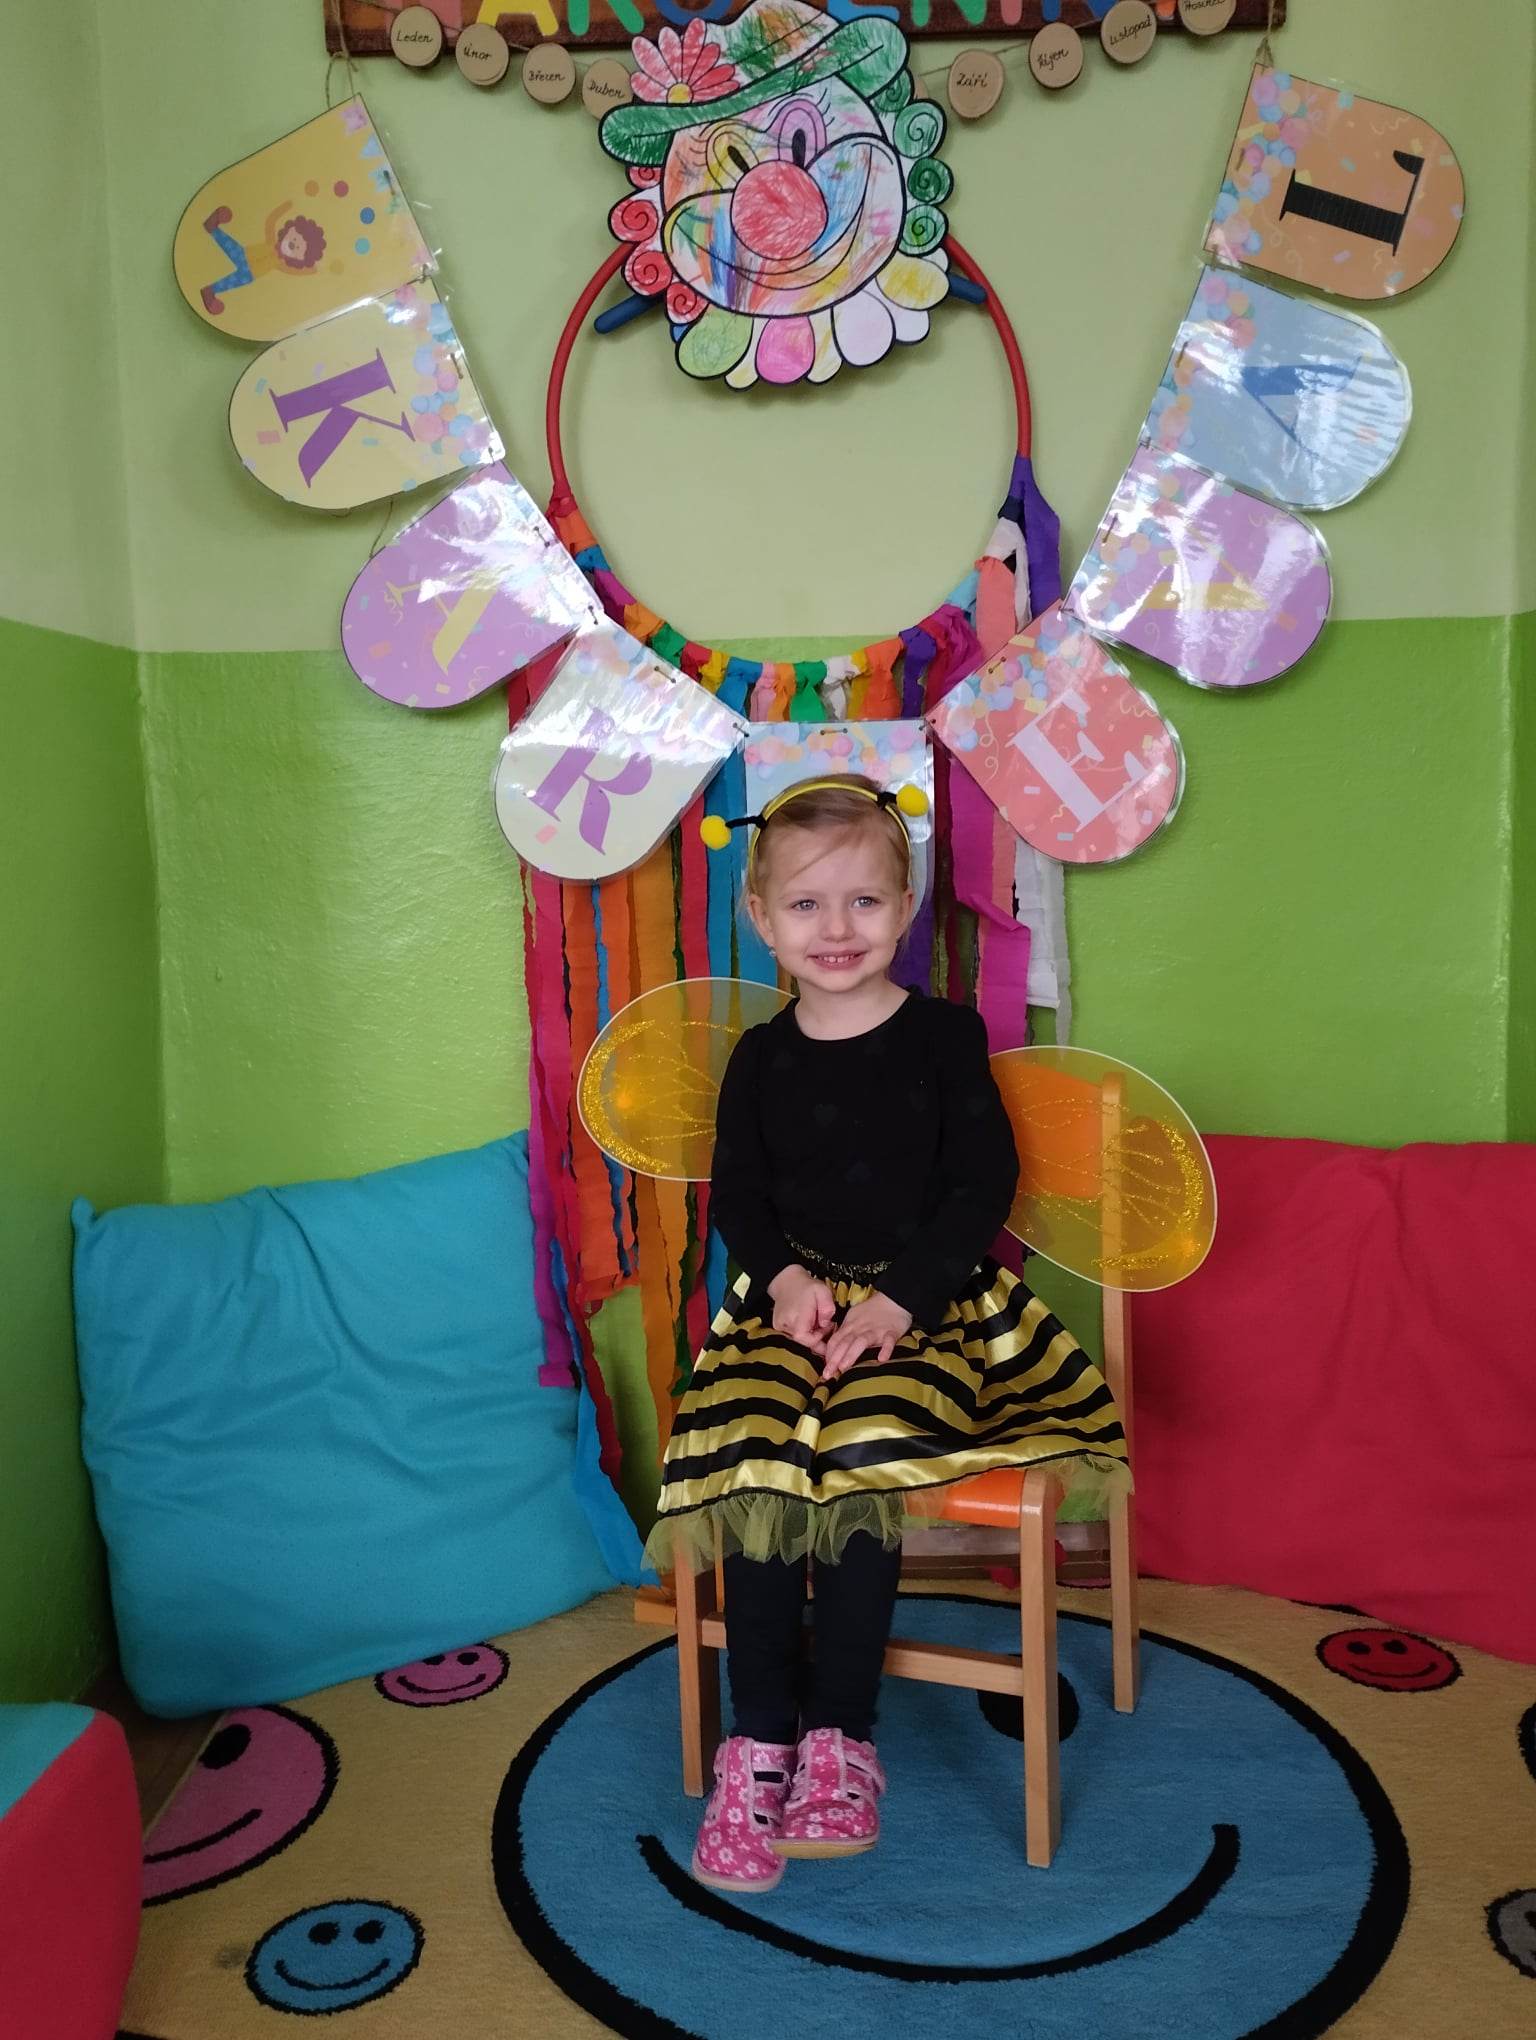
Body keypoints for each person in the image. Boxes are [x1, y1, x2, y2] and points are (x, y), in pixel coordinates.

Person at [661, 775, 1129, 1894]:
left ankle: (841, 1737)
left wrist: (901, 1300)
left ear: (907, 907)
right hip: (790, 1311)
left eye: (864, 901)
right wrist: (784, 1280)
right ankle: (757, 1743)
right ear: (761, 919)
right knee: (757, 1459)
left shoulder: (944, 1037)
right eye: (807, 905)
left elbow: (980, 1188)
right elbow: (740, 1198)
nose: (837, 928)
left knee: (865, 1451)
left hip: (923, 1310)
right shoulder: (759, 1057)